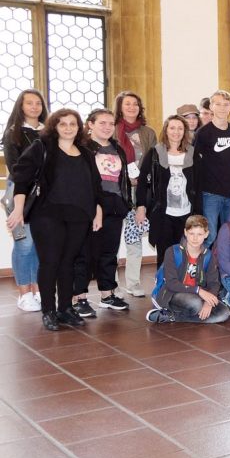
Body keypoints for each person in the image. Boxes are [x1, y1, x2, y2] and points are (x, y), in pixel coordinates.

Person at [7, 109, 102, 331]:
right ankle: (49, 311)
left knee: (68, 262)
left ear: (79, 128)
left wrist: (98, 210)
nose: (68, 128)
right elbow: (21, 179)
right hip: (47, 214)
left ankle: (66, 309)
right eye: (62, 124)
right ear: (54, 127)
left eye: (72, 124)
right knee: (50, 262)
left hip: (79, 215)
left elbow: (95, 185)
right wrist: (18, 209)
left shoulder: (86, 152)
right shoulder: (42, 148)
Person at [71, 108, 133, 316]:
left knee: (109, 253)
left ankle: (107, 294)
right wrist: (91, 206)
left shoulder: (117, 148)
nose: (107, 127)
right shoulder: (82, 148)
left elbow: (122, 179)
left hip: (115, 206)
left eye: (110, 123)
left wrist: (126, 203)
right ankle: (79, 298)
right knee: (85, 253)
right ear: (90, 124)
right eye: (102, 123)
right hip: (91, 206)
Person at [137, 115, 199, 273]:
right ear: (166, 130)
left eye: (180, 128)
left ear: (185, 131)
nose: (176, 132)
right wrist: (141, 207)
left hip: (187, 213)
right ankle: (163, 290)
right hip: (163, 214)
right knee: (165, 255)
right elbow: (143, 182)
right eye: (172, 128)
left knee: (186, 254)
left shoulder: (192, 153)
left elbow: (199, 185)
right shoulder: (155, 153)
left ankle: (183, 290)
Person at [3, 88, 46, 311]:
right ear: (21, 106)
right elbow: (15, 167)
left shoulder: (48, 131)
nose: (34, 107)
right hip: (20, 191)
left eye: (38, 103)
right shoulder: (13, 132)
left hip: (44, 193)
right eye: (29, 103)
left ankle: (37, 289)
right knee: (24, 242)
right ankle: (23, 293)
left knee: (39, 243)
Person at [148, 215, 229, 324]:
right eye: (191, 233)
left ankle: (170, 316)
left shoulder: (209, 255)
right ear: (185, 232)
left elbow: (214, 283)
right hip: (172, 293)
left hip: (197, 295)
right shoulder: (172, 251)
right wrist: (199, 291)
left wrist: (208, 302)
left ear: (206, 234)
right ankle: (167, 309)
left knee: (223, 313)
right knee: (195, 304)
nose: (195, 238)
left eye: (199, 234)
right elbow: (171, 283)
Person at [115, 91, 157, 298]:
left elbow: (153, 161)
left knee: (134, 237)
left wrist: (142, 180)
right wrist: (124, 176)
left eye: (135, 104)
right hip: (115, 191)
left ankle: (133, 282)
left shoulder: (148, 132)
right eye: (127, 104)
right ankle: (111, 285)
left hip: (139, 192)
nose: (132, 107)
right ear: (120, 107)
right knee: (111, 240)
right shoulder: (112, 130)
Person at [194, 90, 230, 245]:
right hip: (210, 193)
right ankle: (201, 267)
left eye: (226, 104)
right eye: (218, 104)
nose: (222, 108)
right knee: (210, 235)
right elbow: (195, 162)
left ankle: (225, 269)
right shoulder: (203, 133)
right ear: (211, 106)